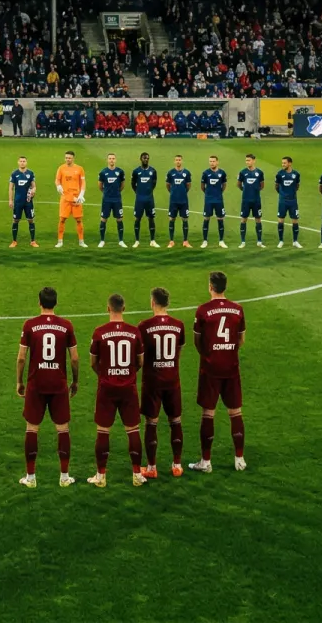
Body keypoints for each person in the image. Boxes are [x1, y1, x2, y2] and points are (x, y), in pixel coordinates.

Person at [16, 285, 79, 488]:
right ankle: (64, 477)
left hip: (36, 382)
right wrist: (75, 380)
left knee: (32, 428)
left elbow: (21, 358)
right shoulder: (66, 325)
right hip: (58, 383)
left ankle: (31, 477)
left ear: (39, 302)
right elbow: (75, 359)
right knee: (62, 428)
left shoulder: (30, 325)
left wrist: (19, 381)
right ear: (56, 303)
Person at [188, 270, 247, 473]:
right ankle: (239, 459)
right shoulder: (238, 310)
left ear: (210, 287)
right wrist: (228, 352)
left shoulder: (203, 310)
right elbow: (240, 340)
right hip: (231, 367)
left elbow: (197, 341)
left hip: (210, 368)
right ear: (225, 287)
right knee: (235, 412)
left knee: (208, 413)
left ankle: (206, 462)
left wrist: (208, 355)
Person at [87, 293, 147, 487]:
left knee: (103, 431)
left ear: (108, 308)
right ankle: (137, 475)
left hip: (106, 387)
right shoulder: (134, 332)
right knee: (133, 430)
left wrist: (105, 374)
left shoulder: (99, 332)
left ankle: (101, 476)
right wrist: (127, 373)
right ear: (124, 308)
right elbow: (140, 362)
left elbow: (93, 363)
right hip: (128, 388)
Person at [137, 287, 187, 478]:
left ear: (152, 302)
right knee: (175, 421)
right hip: (172, 380)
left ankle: (151, 468)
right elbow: (178, 353)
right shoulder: (178, 325)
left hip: (153, 381)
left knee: (151, 423)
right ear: (168, 303)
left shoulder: (144, 326)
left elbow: (140, 357)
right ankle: (177, 465)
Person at [54, 150, 87, 248]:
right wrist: (58, 186)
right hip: (65, 198)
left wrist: (81, 195)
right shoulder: (61, 168)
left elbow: (83, 183)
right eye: (66, 158)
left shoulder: (80, 169)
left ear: (73, 158)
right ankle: (60, 241)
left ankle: (81, 241)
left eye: (69, 158)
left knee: (79, 220)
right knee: (62, 219)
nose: (67, 159)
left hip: (76, 199)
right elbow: (57, 180)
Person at [96, 151, 127, 248]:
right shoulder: (103, 172)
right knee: (103, 219)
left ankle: (121, 241)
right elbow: (100, 186)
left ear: (115, 160)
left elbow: (122, 185)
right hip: (106, 200)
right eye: (110, 158)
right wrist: (106, 193)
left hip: (117, 199)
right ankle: (102, 241)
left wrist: (116, 192)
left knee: (119, 219)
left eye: (113, 158)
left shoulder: (120, 172)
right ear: (107, 160)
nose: (111, 160)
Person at [130, 151, 160, 247]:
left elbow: (154, 184)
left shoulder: (153, 171)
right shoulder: (136, 171)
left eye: (147, 158)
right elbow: (133, 184)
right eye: (144, 158)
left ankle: (152, 241)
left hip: (149, 199)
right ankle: (137, 241)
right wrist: (138, 192)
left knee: (151, 219)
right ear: (140, 159)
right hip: (139, 199)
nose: (146, 159)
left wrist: (148, 192)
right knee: (137, 219)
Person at [8, 155, 38, 247]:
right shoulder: (14, 174)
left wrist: (33, 191)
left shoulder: (30, 173)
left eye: (24, 161)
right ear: (18, 162)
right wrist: (10, 200)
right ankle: (14, 241)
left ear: (26, 162)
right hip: (18, 201)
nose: (22, 163)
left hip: (28, 201)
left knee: (31, 220)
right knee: (16, 220)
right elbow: (11, 188)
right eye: (21, 161)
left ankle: (33, 241)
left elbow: (34, 186)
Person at [236, 154, 266, 247]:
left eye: (249, 160)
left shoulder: (260, 173)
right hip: (245, 200)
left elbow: (262, 185)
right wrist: (246, 191)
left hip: (256, 200)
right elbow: (239, 184)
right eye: (246, 160)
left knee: (258, 219)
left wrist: (255, 191)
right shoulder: (242, 172)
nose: (247, 162)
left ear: (254, 161)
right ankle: (243, 242)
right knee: (243, 219)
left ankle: (259, 241)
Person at [164, 155, 193, 247]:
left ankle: (185, 241)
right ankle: (171, 241)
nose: (178, 162)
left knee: (185, 219)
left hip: (184, 201)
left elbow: (188, 185)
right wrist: (173, 192)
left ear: (182, 161)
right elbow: (168, 185)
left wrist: (183, 192)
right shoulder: (170, 173)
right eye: (176, 160)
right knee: (172, 219)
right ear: (174, 161)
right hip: (173, 201)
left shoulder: (187, 173)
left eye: (179, 160)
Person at [200, 155, 228, 250]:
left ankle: (221, 241)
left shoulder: (222, 173)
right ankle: (205, 241)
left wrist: (218, 193)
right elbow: (202, 186)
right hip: (208, 200)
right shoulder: (205, 173)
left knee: (220, 219)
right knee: (206, 219)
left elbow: (224, 185)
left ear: (217, 162)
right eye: (210, 161)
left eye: (213, 161)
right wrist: (209, 194)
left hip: (219, 200)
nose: (212, 163)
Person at [275, 156, 303, 249]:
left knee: (295, 220)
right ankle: (281, 241)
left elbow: (297, 186)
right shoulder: (279, 174)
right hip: (282, 201)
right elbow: (277, 187)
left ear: (290, 163)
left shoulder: (296, 174)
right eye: (282, 163)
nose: (283, 164)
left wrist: (291, 193)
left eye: (284, 163)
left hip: (293, 201)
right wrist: (283, 194)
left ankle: (295, 241)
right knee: (280, 220)